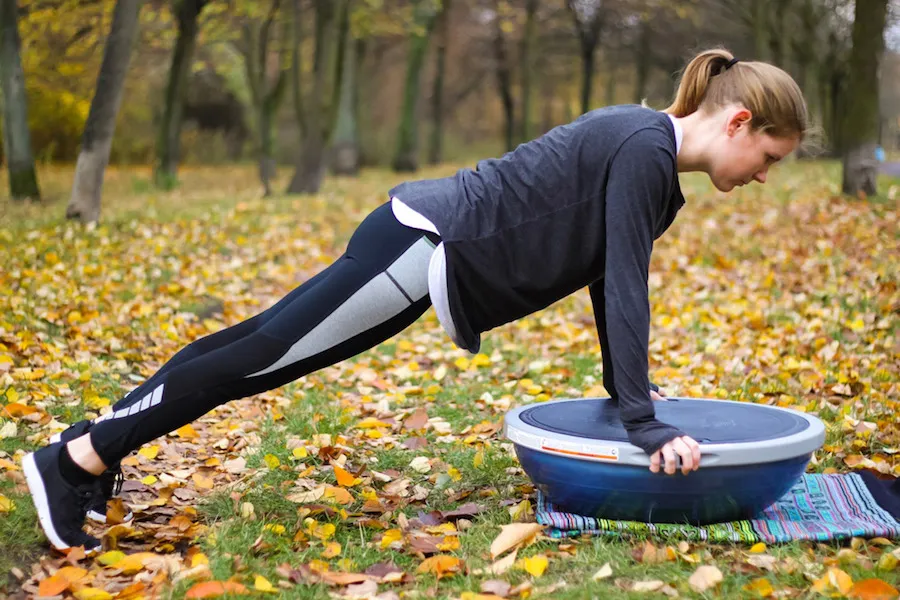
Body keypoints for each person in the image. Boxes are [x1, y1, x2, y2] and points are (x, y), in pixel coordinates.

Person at [23, 48, 808, 554]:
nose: (765, 173)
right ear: (739, 121)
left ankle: (93, 449)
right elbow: (629, 283)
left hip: (418, 244)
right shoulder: (644, 149)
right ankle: (74, 459)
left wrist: (626, 393)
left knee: (252, 346)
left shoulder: (651, 164)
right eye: (768, 155)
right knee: (254, 360)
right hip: (421, 247)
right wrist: (642, 420)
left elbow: (609, 278)